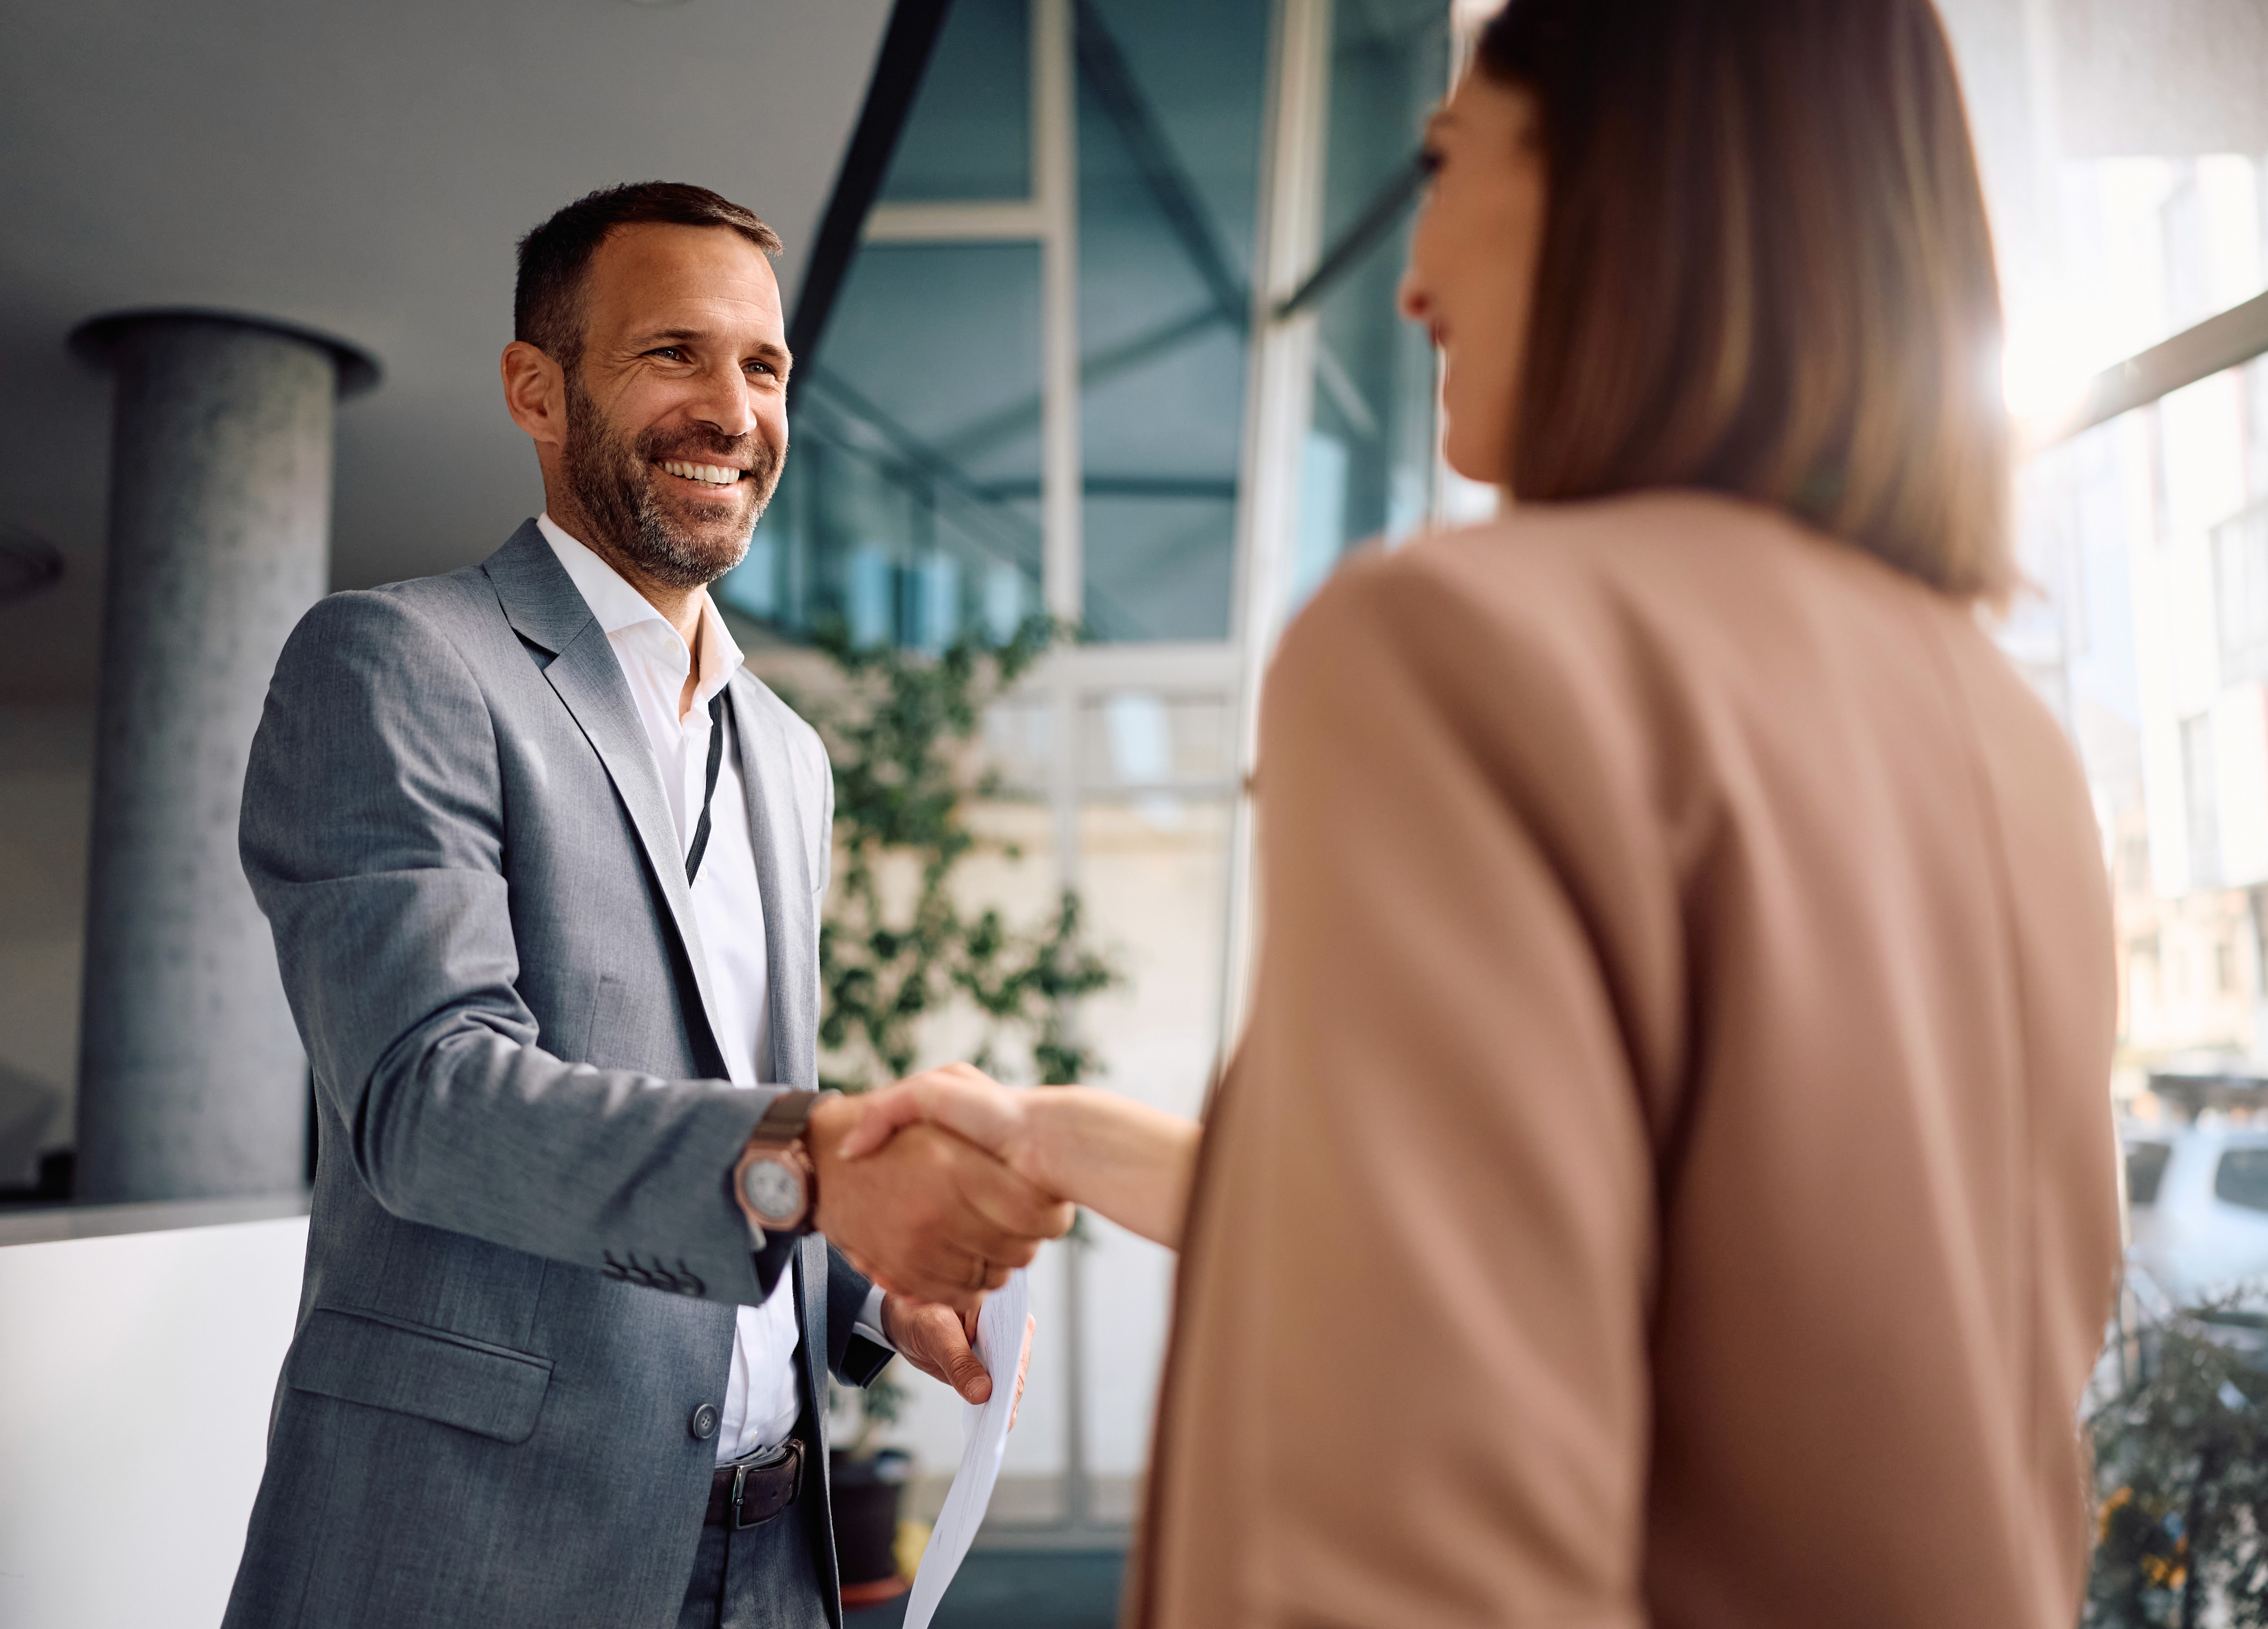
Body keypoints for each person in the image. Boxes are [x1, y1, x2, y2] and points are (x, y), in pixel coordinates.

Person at [842, 2, 2122, 1624]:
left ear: (1623, 185)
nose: (1410, 277)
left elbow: (1413, 1539)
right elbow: (1651, 1261)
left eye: (1449, 165)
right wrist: (1063, 1137)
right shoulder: (2001, 731)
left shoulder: (1459, 649)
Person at [222, 182, 1068, 1629]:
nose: (732, 410)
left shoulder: (789, 755)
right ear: (535, 392)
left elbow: (727, 1101)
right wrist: (819, 1164)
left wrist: (870, 1282)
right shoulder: (397, 663)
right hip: (482, 1551)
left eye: (764, 366)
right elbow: (432, 1103)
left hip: (773, 1550)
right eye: (673, 353)